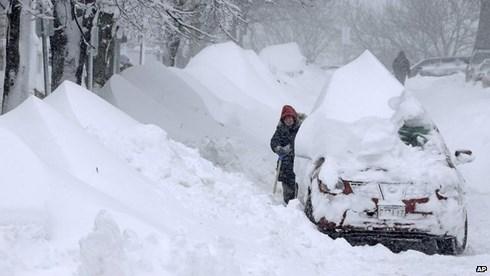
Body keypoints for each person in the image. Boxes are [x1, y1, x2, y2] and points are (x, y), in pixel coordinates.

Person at [270, 105, 306, 204]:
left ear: (294, 117)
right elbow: (274, 142)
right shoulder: (281, 129)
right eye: (286, 119)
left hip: (299, 164)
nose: (288, 120)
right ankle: (288, 208)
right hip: (285, 165)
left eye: (290, 118)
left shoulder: (302, 128)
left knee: (300, 189)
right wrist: (278, 149)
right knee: (288, 191)